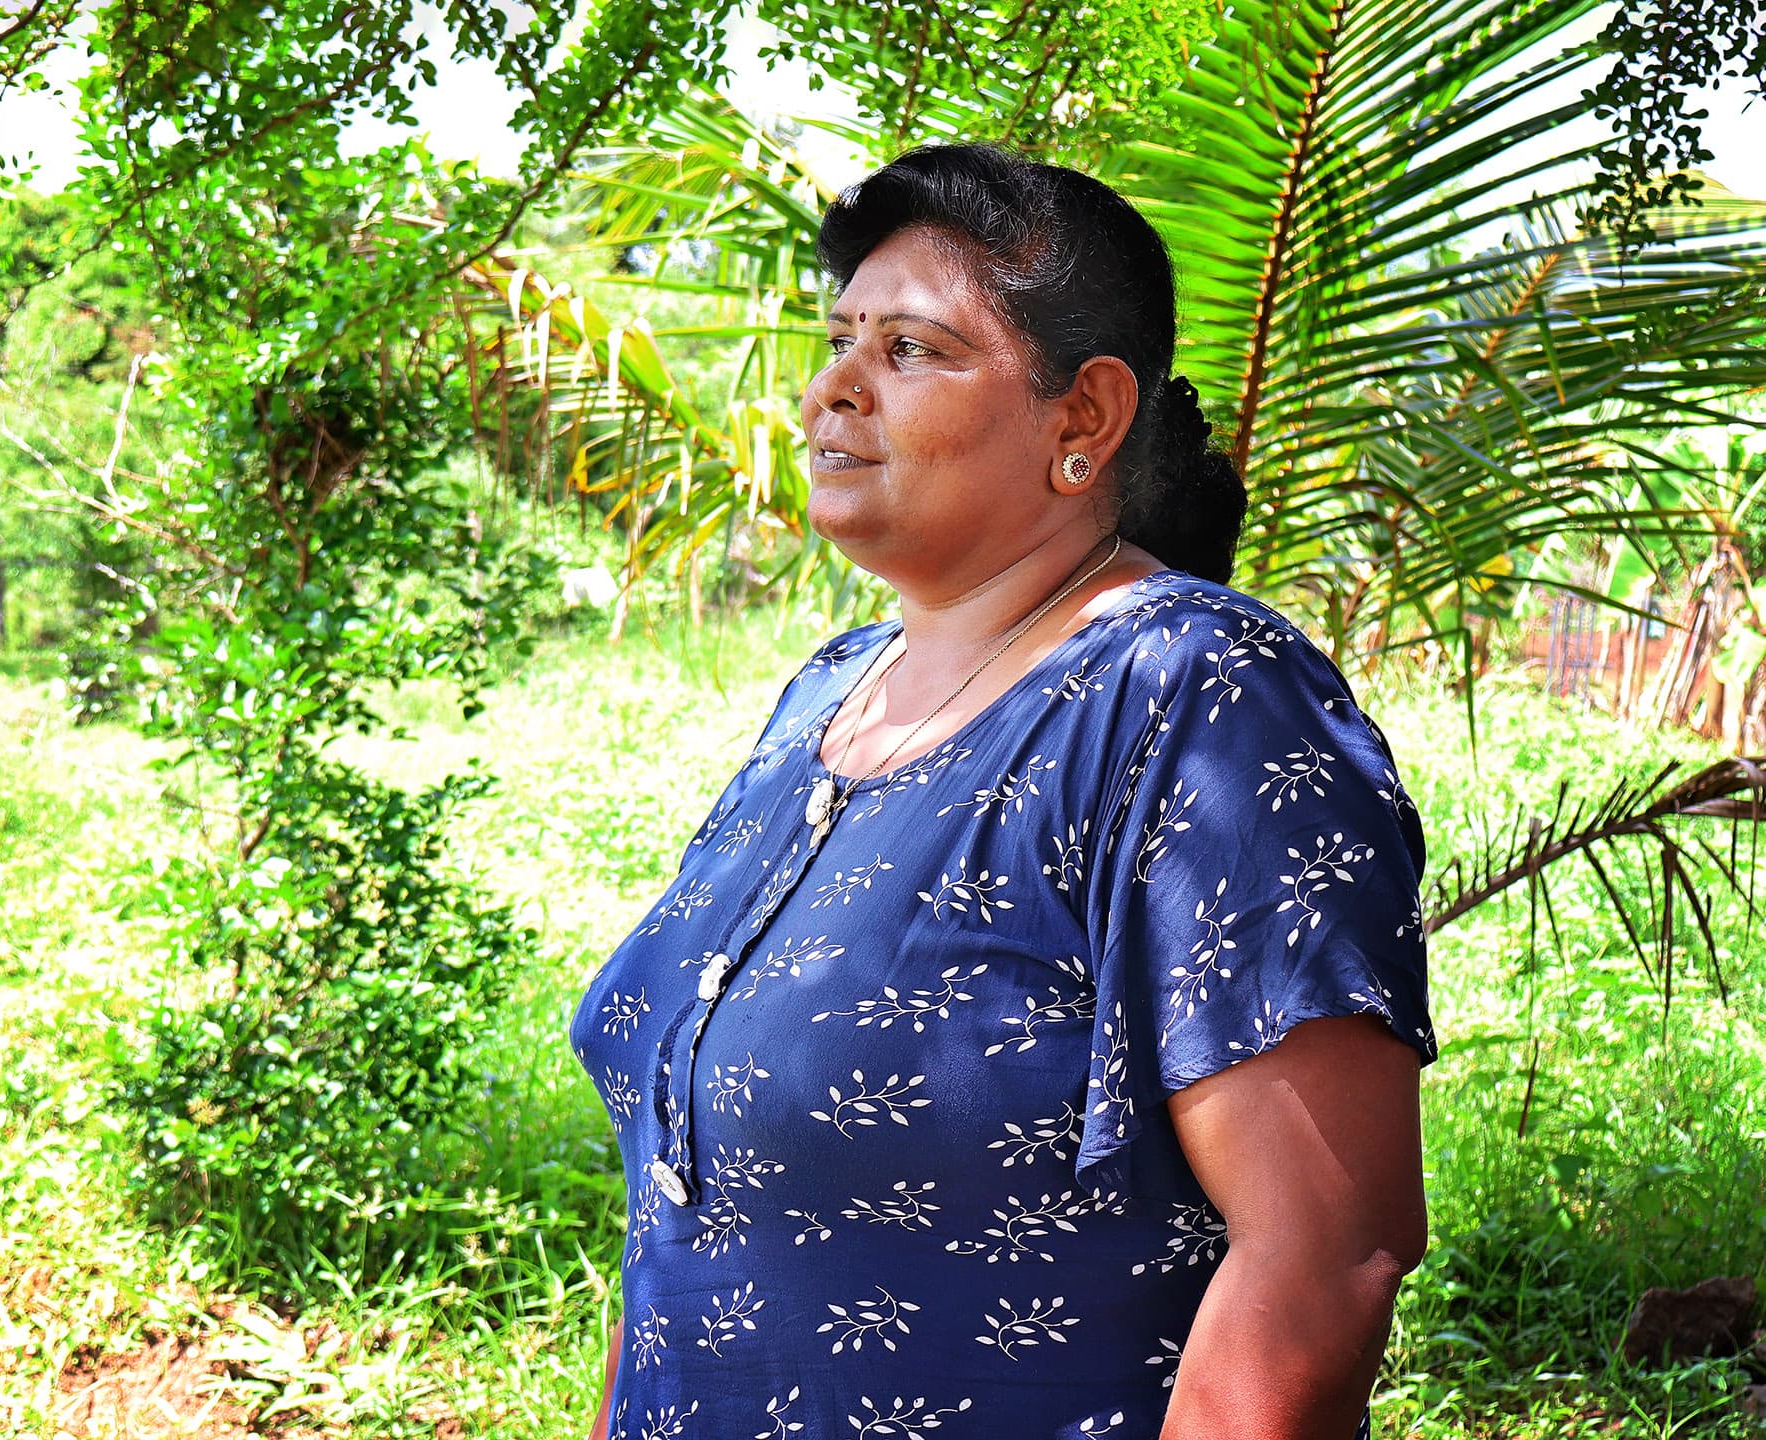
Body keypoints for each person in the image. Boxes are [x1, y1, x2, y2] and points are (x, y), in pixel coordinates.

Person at [570, 143, 1435, 1440]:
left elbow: (1325, 1249)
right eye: (839, 341)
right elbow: (687, 1227)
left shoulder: (1192, 695)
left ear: (1082, 420)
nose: (831, 389)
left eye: (910, 349)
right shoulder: (828, 695)